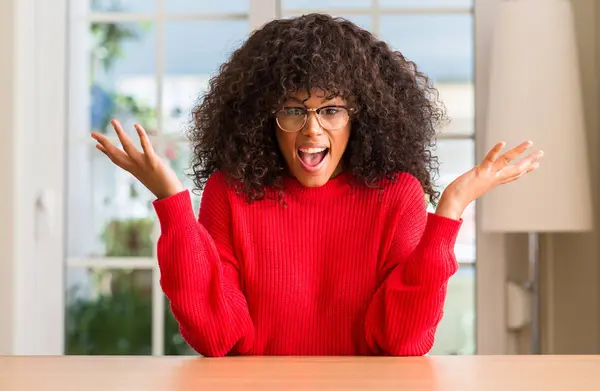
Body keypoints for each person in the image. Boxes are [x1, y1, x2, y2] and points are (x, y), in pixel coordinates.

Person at [91, 13, 542, 357]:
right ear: (263, 119)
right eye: (293, 110)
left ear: (359, 118)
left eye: (331, 110)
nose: (312, 131)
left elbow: (404, 341)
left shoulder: (396, 195)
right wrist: (172, 202)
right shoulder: (231, 193)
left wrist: (450, 208)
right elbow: (216, 337)